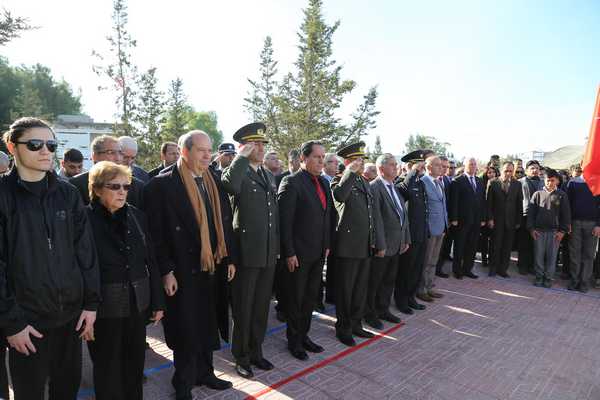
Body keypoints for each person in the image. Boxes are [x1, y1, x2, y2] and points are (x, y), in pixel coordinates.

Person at [0, 117, 100, 400]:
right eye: (35, 144)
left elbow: (86, 253)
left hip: (70, 320)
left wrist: (91, 304)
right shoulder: (3, 196)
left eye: (51, 144)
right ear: (12, 146)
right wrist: (12, 323)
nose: (45, 151)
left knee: (66, 391)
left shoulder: (67, 194)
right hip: (27, 326)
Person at [144, 130, 236, 398]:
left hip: (212, 266)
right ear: (185, 151)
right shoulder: (160, 186)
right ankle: (183, 382)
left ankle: (206, 373)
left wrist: (228, 258)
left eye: (210, 150)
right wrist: (166, 270)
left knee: (208, 323)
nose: (208, 155)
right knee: (186, 328)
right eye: (201, 150)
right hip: (182, 269)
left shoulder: (214, 181)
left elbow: (224, 224)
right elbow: (155, 235)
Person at [86, 161, 165, 400]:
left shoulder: (137, 216)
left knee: (134, 365)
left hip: (136, 304)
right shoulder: (83, 219)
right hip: (103, 308)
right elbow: (81, 268)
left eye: (126, 186)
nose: (122, 191)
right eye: (115, 186)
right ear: (97, 189)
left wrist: (158, 302)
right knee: (107, 368)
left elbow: (150, 260)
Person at [221, 122, 279, 378]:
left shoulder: (266, 174)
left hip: (267, 252)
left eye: (263, 143)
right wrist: (240, 158)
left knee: (260, 307)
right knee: (243, 308)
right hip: (246, 253)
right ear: (244, 146)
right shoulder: (237, 171)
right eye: (256, 143)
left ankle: (256, 351)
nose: (261, 148)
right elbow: (229, 186)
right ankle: (241, 356)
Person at [278, 141, 333, 360]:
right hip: (298, 255)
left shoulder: (323, 182)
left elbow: (327, 216)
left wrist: (327, 244)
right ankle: (294, 342)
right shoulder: (291, 182)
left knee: (310, 299)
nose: (321, 161)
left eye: (323, 157)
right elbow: (285, 222)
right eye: (316, 157)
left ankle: (304, 336)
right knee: (295, 300)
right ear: (303, 158)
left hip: (318, 252)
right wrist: (289, 252)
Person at [331, 141, 377, 347]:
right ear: (348, 161)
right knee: (346, 291)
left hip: (364, 245)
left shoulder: (364, 182)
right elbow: (340, 196)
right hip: (348, 246)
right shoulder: (338, 180)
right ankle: (343, 328)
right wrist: (349, 172)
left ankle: (356, 324)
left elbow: (369, 215)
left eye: (362, 160)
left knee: (360, 289)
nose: (361, 163)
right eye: (357, 160)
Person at [366, 153, 409, 330]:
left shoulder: (393, 186)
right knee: (374, 282)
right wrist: (380, 244)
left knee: (389, 280)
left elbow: (402, 215)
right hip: (383, 246)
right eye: (392, 165)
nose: (396, 167)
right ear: (381, 168)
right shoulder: (374, 187)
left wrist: (406, 238)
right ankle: (370, 314)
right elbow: (376, 220)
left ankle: (383, 309)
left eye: (396, 164)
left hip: (396, 244)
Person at [395, 150, 432, 314]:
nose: (421, 168)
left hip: (421, 234)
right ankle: (401, 301)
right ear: (410, 166)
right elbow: (405, 192)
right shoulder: (402, 182)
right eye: (418, 165)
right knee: (406, 271)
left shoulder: (420, 182)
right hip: (409, 236)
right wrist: (412, 172)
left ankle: (411, 298)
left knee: (417, 269)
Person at [70, 135, 144, 207]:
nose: (117, 158)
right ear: (95, 156)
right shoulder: (76, 185)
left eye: (120, 153)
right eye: (111, 152)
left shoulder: (136, 187)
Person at [527, 168, 571, 288]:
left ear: (557, 181)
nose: (549, 183)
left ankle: (548, 278)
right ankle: (539, 276)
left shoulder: (562, 195)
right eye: (547, 180)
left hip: (554, 233)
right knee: (538, 256)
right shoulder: (537, 194)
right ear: (544, 180)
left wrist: (562, 231)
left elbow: (566, 215)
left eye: (552, 180)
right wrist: (531, 229)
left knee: (552, 257)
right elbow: (531, 214)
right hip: (538, 232)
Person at [449, 157, 487, 279]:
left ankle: (467, 269)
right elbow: (454, 201)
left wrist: (482, 218)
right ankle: (457, 270)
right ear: (465, 166)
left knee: (472, 246)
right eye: (470, 164)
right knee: (460, 246)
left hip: (476, 221)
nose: (473, 166)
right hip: (461, 220)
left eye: (474, 164)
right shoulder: (457, 181)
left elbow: (482, 201)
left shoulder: (480, 181)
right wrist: (454, 218)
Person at [417, 156, 448, 302]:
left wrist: (445, 224)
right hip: (429, 228)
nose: (441, 168)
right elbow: (423, 208)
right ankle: (421, 289)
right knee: (426, 260)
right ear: (428, 167)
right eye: (437, 165)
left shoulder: (439, 182)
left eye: (441, 165)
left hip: (440, 227)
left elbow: (442, 205)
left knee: (434, 260)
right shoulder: (423, 182)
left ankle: (429, 286)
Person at [566, 166, 600, 292]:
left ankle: (584, 282)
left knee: (589, 255)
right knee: (575, 253)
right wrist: (567, 222)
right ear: (582, 164)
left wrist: (598, 225)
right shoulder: (573, 182)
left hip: (592, 225)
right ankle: (574, 281)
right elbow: (567, 204)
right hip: (575, 223)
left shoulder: (599, 182)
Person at [486, 162, 523, 277]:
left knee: (507, 247)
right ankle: (493, 268)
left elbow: (519, 204)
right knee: (495, 245)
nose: (508, 173)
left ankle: (503, 269)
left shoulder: (517, 184)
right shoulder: (493, 182)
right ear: (501, 170)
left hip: (511, 221)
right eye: (506, 170)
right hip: (496, 221)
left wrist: (518, 220)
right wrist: (490, 219)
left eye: (511, 171)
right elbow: (488, 203)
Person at [517, 160, 543, 274]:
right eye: (532, 168)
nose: (535, 170)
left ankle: (532, 266)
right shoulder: (520, 182)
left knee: (535, 243)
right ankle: (522, 266)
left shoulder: (543, 183)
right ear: (527, 170)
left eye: (537, 168)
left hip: (539, 216)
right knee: (524, 242)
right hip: (525, 215)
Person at [478, 165, 498, 266]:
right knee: (484, 239)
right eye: (489, 172)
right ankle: (483, 259)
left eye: (493, 172)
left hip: (494, 215)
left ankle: (491, 258)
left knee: (493, 239)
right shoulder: (481, 183)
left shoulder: (498, 183)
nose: (491, 174)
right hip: (483, 215)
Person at [436, 156, 453, 278]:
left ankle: (438, 268)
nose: (445, 169)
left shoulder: (447, 180)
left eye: (447, 167)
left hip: (446, 221)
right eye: (443, 166)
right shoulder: (429, 181)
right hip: (433, 223)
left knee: (442, 247)